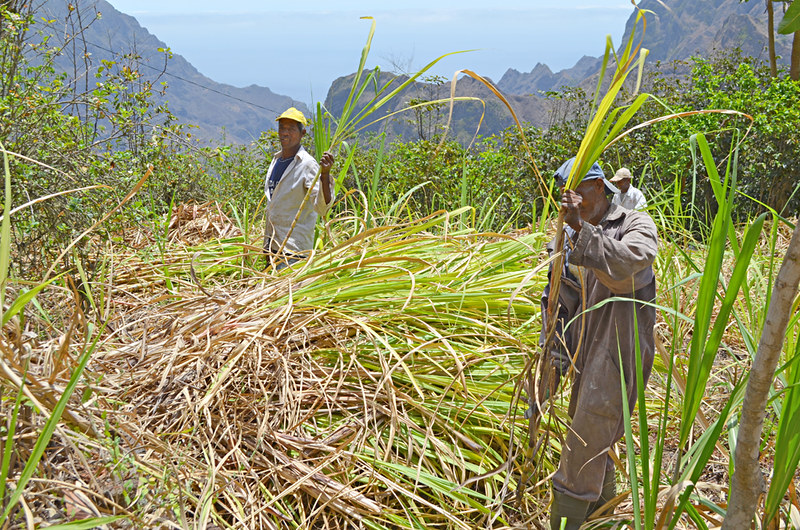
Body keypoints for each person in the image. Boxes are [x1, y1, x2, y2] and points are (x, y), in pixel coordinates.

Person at [542, 158, 658, 529]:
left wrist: (582, 231)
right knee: (596, 446)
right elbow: (559, 306)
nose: (570, 200)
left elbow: (629, 271)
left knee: (581, 453)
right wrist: (547, 375)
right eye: (565, 194)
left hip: (616, 355)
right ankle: (604, 521)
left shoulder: (633, 224)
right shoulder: (566, 239)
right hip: (583, 357)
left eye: (577, 190)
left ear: (598, 185)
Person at [262, 107, 335, 267]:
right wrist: (267, 244)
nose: (284, 133)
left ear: (302, 134)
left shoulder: (307, 165)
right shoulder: (276, 161)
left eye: (291, 129)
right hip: (273, 247)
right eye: (282, 128)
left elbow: (322, 208)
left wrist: (324, 175)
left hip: (294, 252)